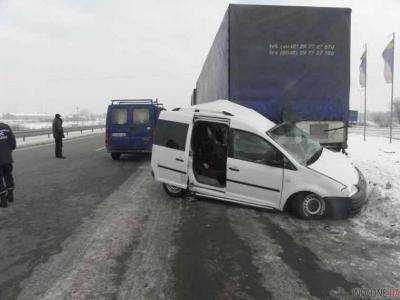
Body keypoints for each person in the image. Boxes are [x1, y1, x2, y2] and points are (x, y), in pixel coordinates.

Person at [0, 122, 16, 207]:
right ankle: (10, 195)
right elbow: (13, 141)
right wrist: (9, 150)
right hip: (7, 158)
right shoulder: (6, 126)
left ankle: (3, 200)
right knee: (8, 175)